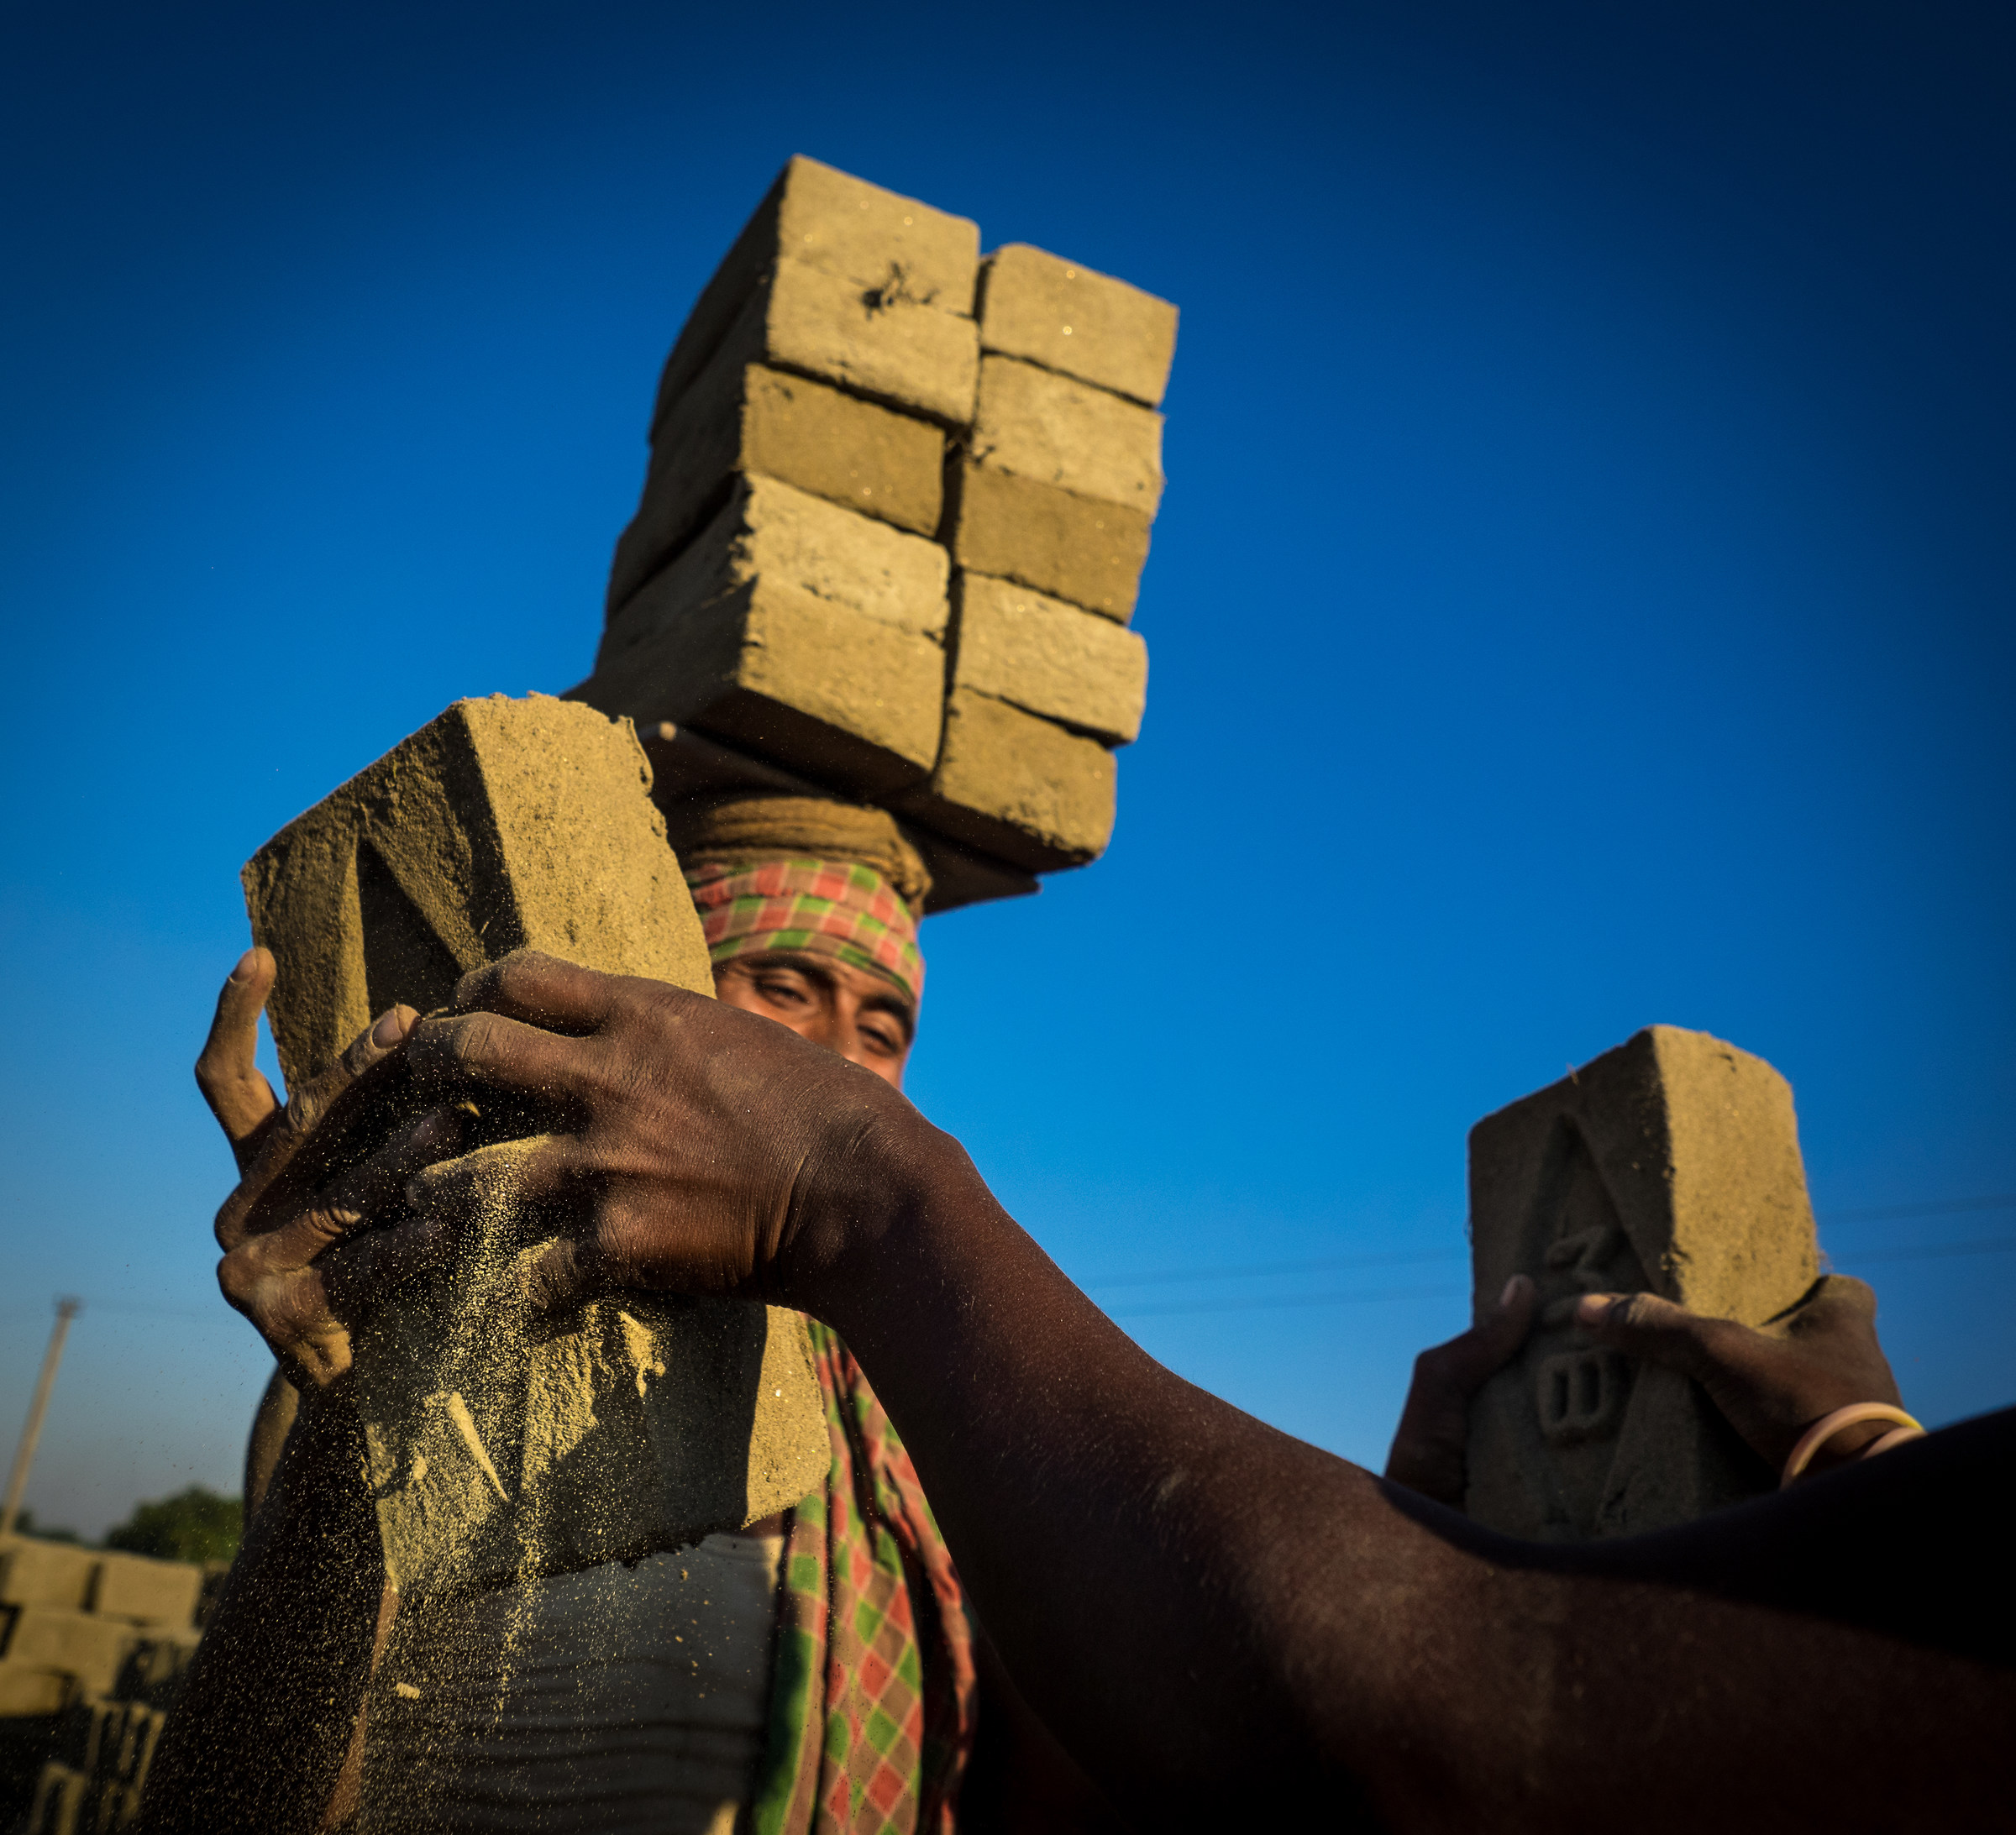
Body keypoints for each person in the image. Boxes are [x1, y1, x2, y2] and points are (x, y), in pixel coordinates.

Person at [167, 946, 2015, 1831]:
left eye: (879, 1028)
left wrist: (859, 1191)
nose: (817, 1064)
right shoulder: (425, 1389)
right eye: (755, 1005)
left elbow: (1158, 1785)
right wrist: (360, 1442)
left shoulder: (955, 1475)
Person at [155, 798, 1109, 1835]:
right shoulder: (396, 1342)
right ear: (668, 1008)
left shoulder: (910, 1429)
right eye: (785, 986)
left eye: (881, 1029)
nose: (840, 1061)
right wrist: (363, 1419)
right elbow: (229, 1800)